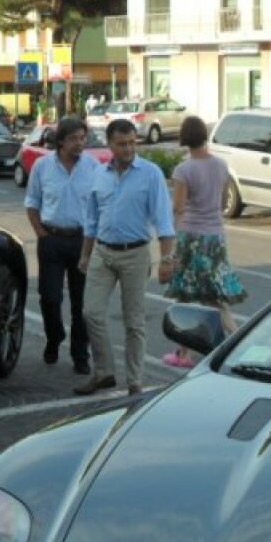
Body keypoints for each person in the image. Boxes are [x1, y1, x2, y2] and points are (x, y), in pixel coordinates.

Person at [75, 119, 176, 396]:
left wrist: (167, 259)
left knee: (134, 321)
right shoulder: (99, 174)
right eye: (122, 144)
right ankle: (105, 371)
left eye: (132, 142)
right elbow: (91, 220)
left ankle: (134, 381)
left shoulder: (150, 174)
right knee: (91, 313)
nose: (129, 148)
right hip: (102, 252)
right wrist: (85, 254)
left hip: (136, 254)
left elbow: (164, 221)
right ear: (110, 145)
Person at [162, 116, 246, 368]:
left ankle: (186, 353)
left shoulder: (184, 170)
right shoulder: (221, 165)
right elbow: (221, 203)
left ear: (185, 137)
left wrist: (170, 241)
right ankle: (232, 344)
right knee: (213, 295)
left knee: (188, 294)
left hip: (192, 235)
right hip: (216, 236)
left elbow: (178, 207)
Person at [25, 115, 100, 375]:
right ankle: (54, 337)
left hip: (82, 241)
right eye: (73, 139)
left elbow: (101, 205)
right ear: (60, 141)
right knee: (50, 296)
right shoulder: (43, 166)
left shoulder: (93, 167)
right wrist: (42, 234)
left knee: (82, 303)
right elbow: (32, 203)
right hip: (52, 239)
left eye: (82, 138)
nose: (80, 143)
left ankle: (80, 355)